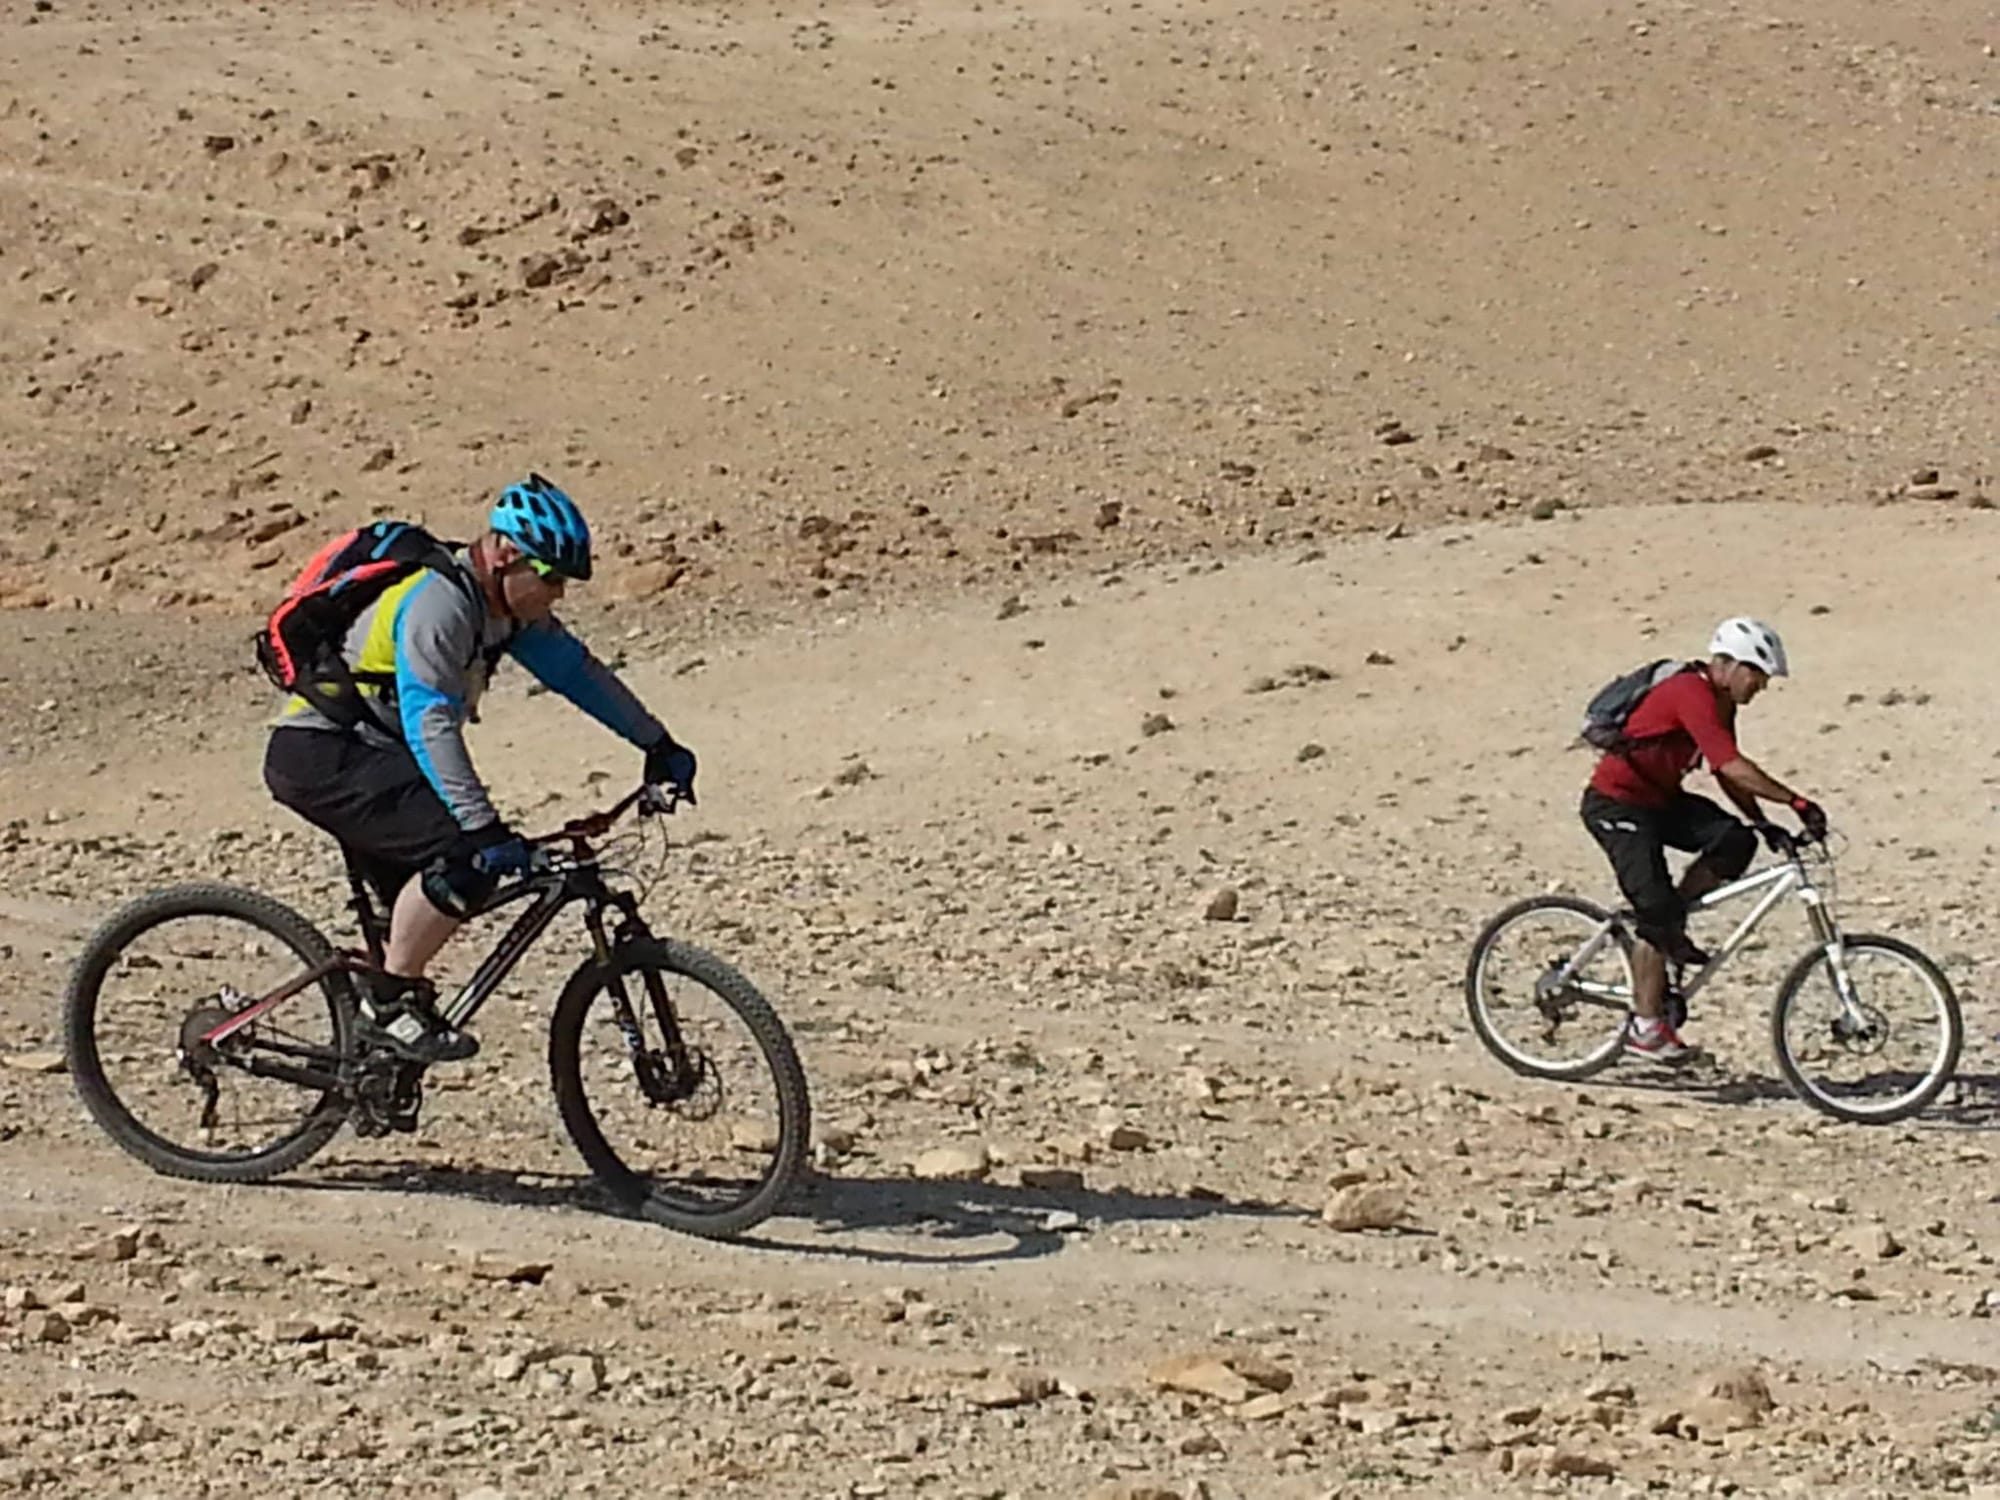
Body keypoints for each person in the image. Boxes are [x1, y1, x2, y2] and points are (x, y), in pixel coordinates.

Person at [262, 474, 698, 1064]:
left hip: (375, 757)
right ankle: (388, 1010)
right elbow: (430, 720)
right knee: (462, 861)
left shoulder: (506, 614)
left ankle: (372, 1058)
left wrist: (657, 743)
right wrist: (483, 828)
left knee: (435, 896)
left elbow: (577, 674)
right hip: (323, 755)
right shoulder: (439, 605)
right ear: (505, 553)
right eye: (549, 576)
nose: (559, 592)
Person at [1579, 617, 1827, 1063]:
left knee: (1735, 841)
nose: (1760, 687)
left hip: (1660, 801)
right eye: (1757, 675)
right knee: (1657, 911)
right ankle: (1645, 1027)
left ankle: (1666, 926)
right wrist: (1796, 802)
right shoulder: (1689, 692)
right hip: (1616, 805)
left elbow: (1723, 772)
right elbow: (1731, 764)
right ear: (1728, 665)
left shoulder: (1720, 704)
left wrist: (1761, 822)